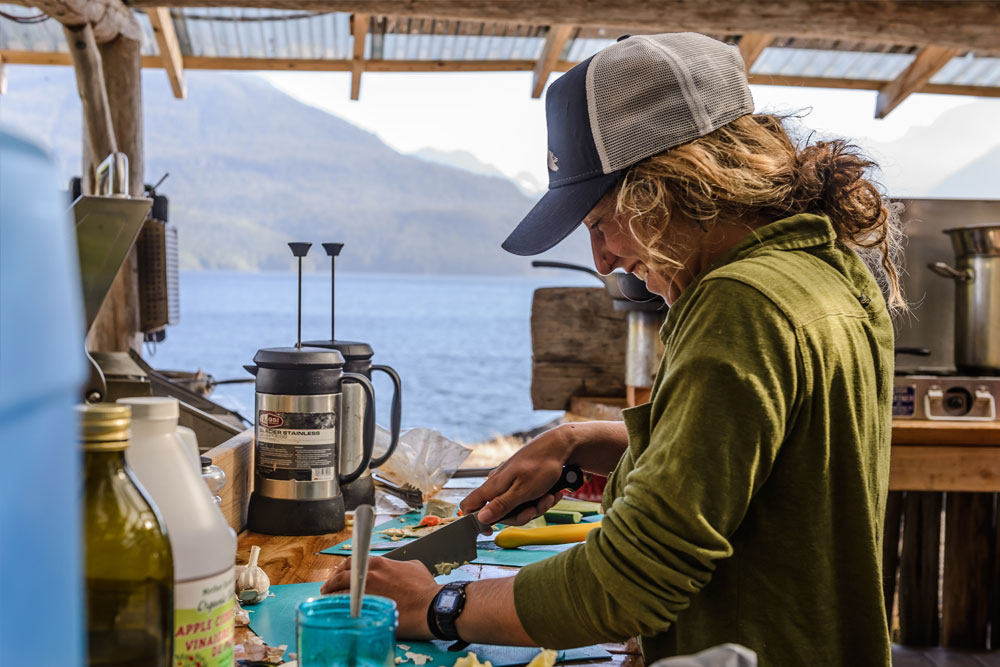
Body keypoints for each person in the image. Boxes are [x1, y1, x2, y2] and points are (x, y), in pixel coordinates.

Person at [323, 32, 902, 666]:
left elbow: (631, 579)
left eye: (600, 221)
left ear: (675, 183)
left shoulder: (740, 302)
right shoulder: (831, 274)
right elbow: (784, 463)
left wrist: (437, 605)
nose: (602, 260)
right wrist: (585, 442)